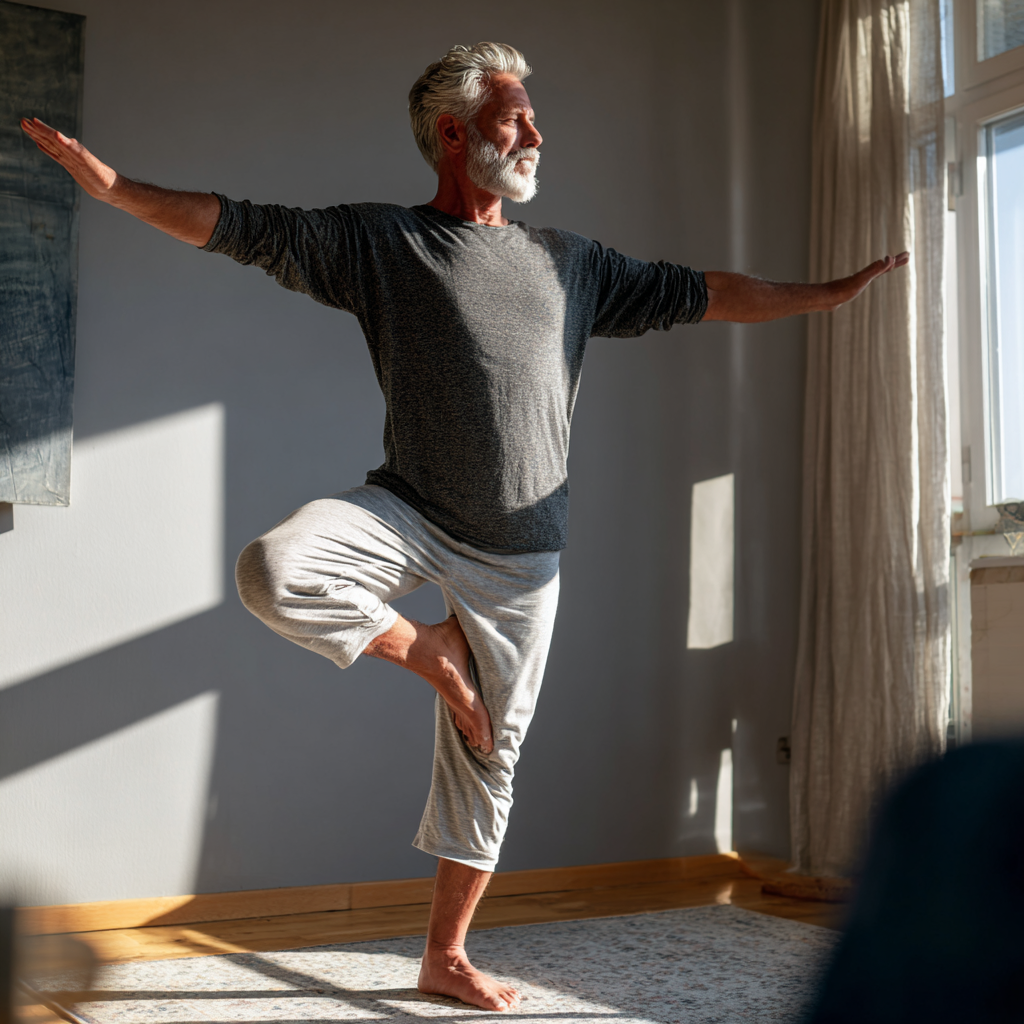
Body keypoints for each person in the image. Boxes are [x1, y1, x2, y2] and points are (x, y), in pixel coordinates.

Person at [21, 41, 907, 1013]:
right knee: (276, 569)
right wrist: (113, 191)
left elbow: (706, 292)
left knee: (490, 753)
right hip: (406, 508)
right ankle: (433, 654)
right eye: (513, 116)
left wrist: (825, 295)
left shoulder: (573, 263)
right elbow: (241, 226)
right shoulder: (383, 244)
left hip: (521, 554)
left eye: (530, 116)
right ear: (454, 133)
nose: (534, 131)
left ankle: (445, 955)